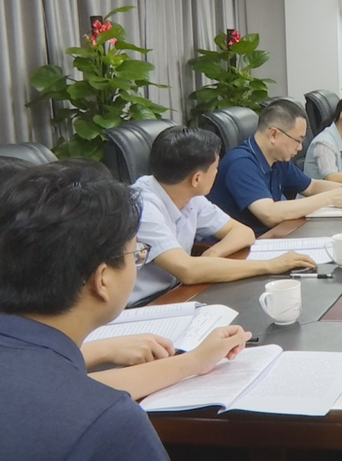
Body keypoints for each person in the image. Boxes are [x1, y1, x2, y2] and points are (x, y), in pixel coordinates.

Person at [0, 162, 250, 460]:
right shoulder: (108, 423)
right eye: (137, 253)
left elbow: (55, 388)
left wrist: (195, 361)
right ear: (102, 279)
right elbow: (77, 400)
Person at [129, 127, 316, 307]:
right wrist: (270, 265)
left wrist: (213, 254)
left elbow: (243, 232)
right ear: (196, 179)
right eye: (215, 168)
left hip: (176, 294)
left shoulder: (190, 196)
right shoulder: (142, 207)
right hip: (142, 306)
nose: (218, 172)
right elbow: (187, 270)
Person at [207, 100, 342, 235]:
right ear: (273, 134)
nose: (300, 147)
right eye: (298, 140)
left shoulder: (278, 159)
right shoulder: (241, 163)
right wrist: (331, 198)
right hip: (240, 250)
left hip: (270, 236)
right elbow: (269, 214)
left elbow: (312, 186)